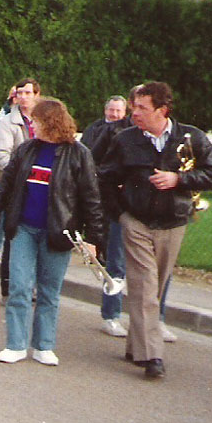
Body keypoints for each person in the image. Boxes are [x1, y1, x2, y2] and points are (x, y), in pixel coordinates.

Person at [98, 81, 212, 379]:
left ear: (162, 110)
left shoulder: (191, 137)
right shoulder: (125, 139)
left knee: (155, 287)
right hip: (136, 222)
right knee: (144, 287)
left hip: (173, 223)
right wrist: (121, 215)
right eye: (134, 107)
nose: (135, 113)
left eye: (142, 108)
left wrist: (178, 180)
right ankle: (152, 356)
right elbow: (104, 179)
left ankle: (135, 346)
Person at [0, 98, 105, 365]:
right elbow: (6, 185)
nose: (33, 126)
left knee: (49, 291)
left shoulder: (79, 154)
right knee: (19, 287)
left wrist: (94, 238)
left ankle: (44, 345)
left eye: (36, 122)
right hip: (23, 229)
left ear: (50, 123)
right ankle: (15, 344)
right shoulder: (26, 149)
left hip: (58, 231)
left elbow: (91, 199)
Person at [81, 94, 132, 337]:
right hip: (114, 206)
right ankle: (111, 316)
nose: (115, 114)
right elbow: (90, 164)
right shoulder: (99, 131)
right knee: (116, 264)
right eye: (112, 110)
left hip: (143, 209)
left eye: (119, 111)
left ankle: (154, 320)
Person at [0, 77, 41, 294]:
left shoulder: (43, 120)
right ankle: (8, 284)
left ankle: (31, 284)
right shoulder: (7, 123)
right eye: (20, 93)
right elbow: (0, 156)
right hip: (15, 187)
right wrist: (22, 174)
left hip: (39, 188)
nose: (23, 97)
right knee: (13, 235)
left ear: (37, 95)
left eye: (28, 93)